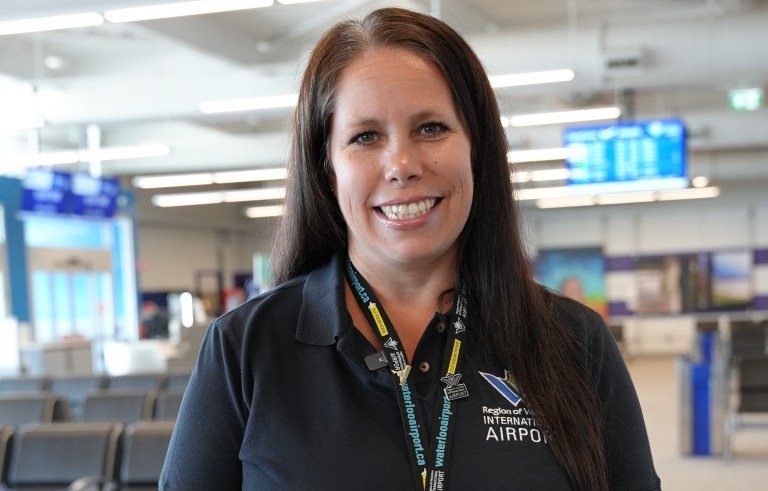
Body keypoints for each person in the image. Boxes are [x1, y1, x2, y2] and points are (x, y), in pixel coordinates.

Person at [160, 7, 660, 490]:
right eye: (365, 136)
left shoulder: (574, 342)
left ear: (477, 148)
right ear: (327, 167)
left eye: (431, 128)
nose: (401, 164)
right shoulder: (245, 349)